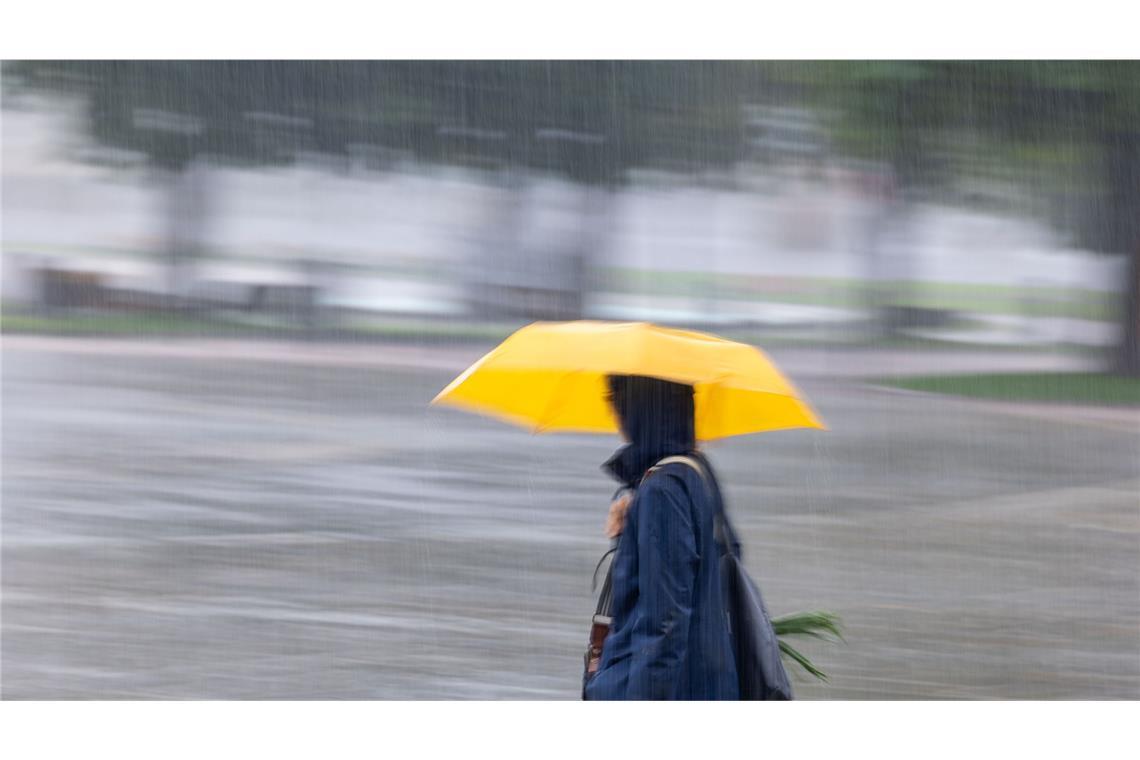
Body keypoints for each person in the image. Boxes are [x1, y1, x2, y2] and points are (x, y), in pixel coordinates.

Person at [583, 374, 739, 700]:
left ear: (640, 405)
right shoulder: (695, 472)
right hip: (705, 681)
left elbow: (662, 624)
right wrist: (631, 525)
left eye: (615, 398)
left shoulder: (662, 491)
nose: (612, 409)